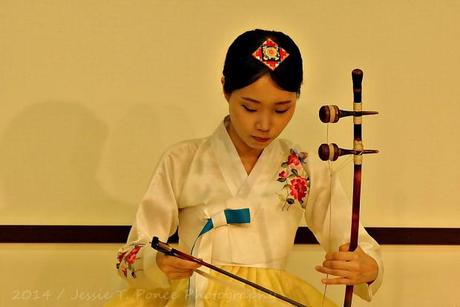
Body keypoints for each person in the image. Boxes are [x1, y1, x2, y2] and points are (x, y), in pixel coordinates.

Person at [106, 29, 383, 307]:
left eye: (281, 109)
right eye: (250, 108)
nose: (265, 124)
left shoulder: (306, 166)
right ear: (225, 88)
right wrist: (158, 261)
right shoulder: (182, 160)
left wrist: (366, 267)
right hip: (193, 295)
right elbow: (131, 253)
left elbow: (354, 242)